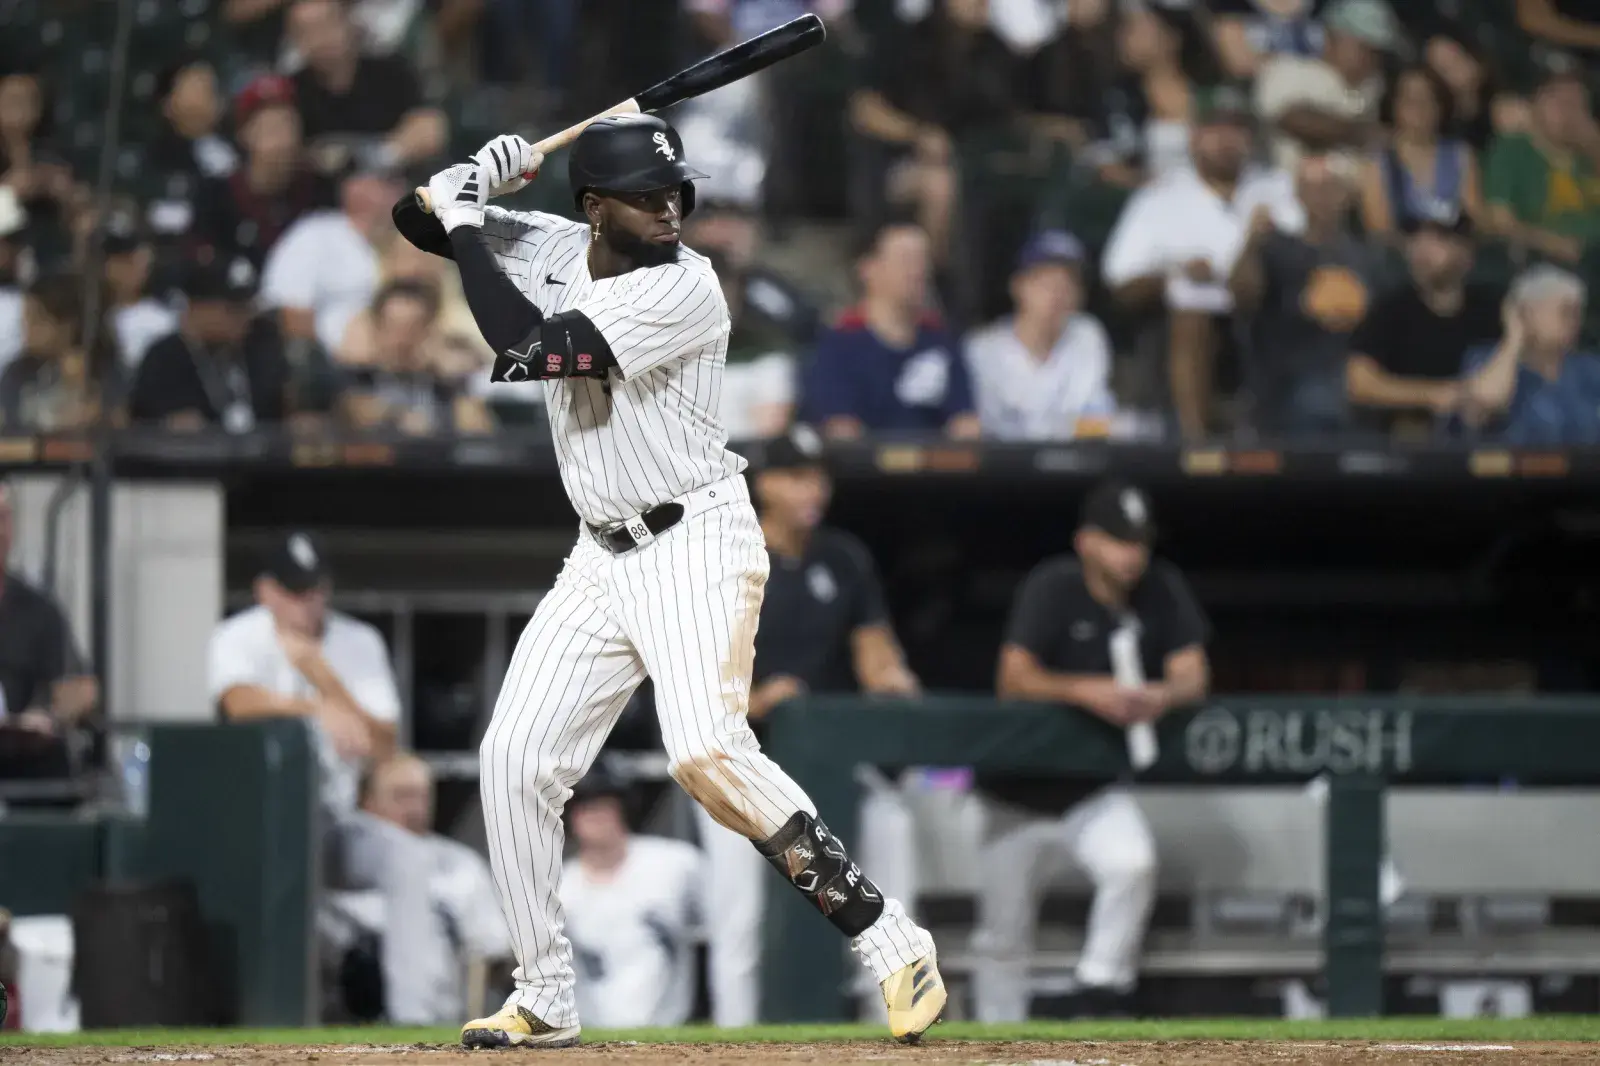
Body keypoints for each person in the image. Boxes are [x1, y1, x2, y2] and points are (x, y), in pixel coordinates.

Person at [390, 117, 947, 1045]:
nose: (668, 210)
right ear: (594, 207)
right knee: (513, 760)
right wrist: (468, 183)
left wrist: (463, 219)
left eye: (675, 194)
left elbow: (531, 348)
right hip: (599, 555)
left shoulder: (685, 286)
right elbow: (421, 224)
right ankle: (545, 994)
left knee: (704, 751)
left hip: (695, 540)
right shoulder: (561, 244)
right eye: (648, 198)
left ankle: (891, 938)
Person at [697, 424, 921, 1027]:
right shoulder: (725, 551)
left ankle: (892, 1019)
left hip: (829, 762)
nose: (812, 490)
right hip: (739, 764)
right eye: (797, 477)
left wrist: (893, 676)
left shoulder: (842, 558)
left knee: (889, 838)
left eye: (818, 477)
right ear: (764, 483)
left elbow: (875, 652)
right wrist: (758, 697)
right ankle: (731, 1038)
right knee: (741, 916)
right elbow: (691, 663)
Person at [976, 479, 1208, 1021]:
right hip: (1014, 794)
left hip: (1090, 788)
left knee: (1131, 864)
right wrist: (1087, 691)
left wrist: (1162, 695)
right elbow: (1014, 678)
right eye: (1119, 540)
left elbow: (1194, 673)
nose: (1133, 554)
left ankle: (1098, 992)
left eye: (1140, 541)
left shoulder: (1160, 589)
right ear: (1087, 541)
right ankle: (991, 1042)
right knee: (1004, 935)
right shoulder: (1053, 586)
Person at [207, 533, 457, 1024]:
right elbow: (236, 704)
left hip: (332, 818)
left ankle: (417, 1020)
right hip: (257, 828)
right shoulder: (240, 635)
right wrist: (314, 708)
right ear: (266, 591)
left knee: (408, 857)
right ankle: (266, 1018)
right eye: (294, 590)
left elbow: (386, 744)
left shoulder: (356, 641)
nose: (308, 602)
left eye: (315, 589)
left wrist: (325, 678)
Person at [1101, 86, 1304, 439]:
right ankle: (1194, 441)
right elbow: (1120, 280)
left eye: (1237, 129)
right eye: (1215, 128)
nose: (1227, 139)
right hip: (1182, 330)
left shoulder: (1276, 188)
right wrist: (1175, 273)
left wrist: (1257, 242)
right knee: (1191, 313)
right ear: (1194, 136)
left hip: (1265, 320)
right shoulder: (1160, 197)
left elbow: (1303, 255)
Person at [347, 753, 512, 1022]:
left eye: (421, 796)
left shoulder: (460, 864)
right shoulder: (345, 865)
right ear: (368, 802)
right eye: (401, 795)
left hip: (443, 1011)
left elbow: (490, 949)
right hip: (350, 1011)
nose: (414, 807)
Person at [848, 0, 1018, 260]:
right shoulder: (907, 42)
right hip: (899, 163)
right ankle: (929, 280)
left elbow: (1010, 115)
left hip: (974, 162)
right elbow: (865, 110)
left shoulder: (996, 50)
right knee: (940, 185)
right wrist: (917, 134)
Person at [1232, 154, 1380, 436]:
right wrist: (1251, 242)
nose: (1321, 197)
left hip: (1356, 381)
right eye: (1311, 189)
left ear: (1347, 196)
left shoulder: (1370, 257)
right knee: (1316, 401)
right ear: (1298, 196)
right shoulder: (1277, 250)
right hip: (1291, 381)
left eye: (1330, 188)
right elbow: (1242, 296)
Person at [800, 220, 981, 440]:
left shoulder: (941, 340)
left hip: (938, 471)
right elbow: (842, 431)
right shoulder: (839, 343)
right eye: (906, 260)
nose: (918, 271)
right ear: (868, 269)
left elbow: (966, 425)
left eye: (923, 259)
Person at [559, 766, 703, 1029]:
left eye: (604, 805)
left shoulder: (677, 864)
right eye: (585, 808)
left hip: (670, 1031)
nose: (596, 816)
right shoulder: (557, 888)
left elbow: (720, 933)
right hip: (588, 1034)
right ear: (570, 818)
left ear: (622, 809)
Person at [1345, 201, 1503, 437]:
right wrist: (1432, 395)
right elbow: (1359, 383)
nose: (1421, 250)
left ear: (1467, 253)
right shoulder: (1391, 309)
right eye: (1415, 238)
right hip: (1412, 437)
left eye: (1438, 239)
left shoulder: (1490, 309)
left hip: (1485, 431)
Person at [963, 230, 1115, 441]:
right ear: (1018, 286)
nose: (1058, 295)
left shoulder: (1087, 336)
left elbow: (1095, 424)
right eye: (1046, 283)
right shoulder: (981, 350)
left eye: (1068, 285)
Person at [129, 256, 293, 431]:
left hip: (262, 455)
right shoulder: (163, 359)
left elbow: (281, 407)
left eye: (248, 307)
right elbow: (140, 424)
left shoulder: (261, 346)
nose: (245, 317)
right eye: (234, 309)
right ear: (199, 309)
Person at [190, 74, 336, 271]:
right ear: (245, 135)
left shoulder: (321, 190)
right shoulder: (217, 196)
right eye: (270, 128)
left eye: (288, 126)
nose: (283, 141)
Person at [287, 0, 447, 175]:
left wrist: (379, 158)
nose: (319, 39)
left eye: (326, 25)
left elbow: (431, 130)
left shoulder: (391, 71)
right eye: (306, 32)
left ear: (348, 24)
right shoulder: (290, 91)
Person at [260, 169, 403, 355]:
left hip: (390, 365)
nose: (400, 191)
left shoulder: (403, 246)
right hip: (325, 365)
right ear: (354, 190)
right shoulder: (315, 235)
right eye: (386, 184)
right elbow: (288, 313)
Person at [0, 481, 97, 752]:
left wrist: (48, 716)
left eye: (4, 518)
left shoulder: (38, 609)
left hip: (20, 763)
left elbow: (82, 688)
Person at [1253, 0, 1403, 172]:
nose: (1372, 58)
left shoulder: (1374, 84)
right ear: (1333, 36)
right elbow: (1292, 119)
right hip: (1297, 190)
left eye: (1378, 52)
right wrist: (1359, 133)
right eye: (1365, 47)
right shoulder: (1287, 70)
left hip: (1360, 191)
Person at [1459, 264, 1600, 443]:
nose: (1575, 321)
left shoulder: (1589, 368)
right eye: (1566, 312)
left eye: (1578, 313)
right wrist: (1514, 337)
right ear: (1525, 313)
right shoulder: (1486, 359)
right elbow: (1485, 403)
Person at [339, 279, 494, 435]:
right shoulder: (360, 379)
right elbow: (358, 412)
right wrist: (398, 415)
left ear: (429, 331)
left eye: (412, 329)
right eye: (393, 327)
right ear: (377, 330)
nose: (401, 340)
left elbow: (479, 431)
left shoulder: (445, 384)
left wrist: (452, 378)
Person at [1482, 70, 1600, 266]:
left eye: (1577, 104)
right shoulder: (1512, 149)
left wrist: (1594, 145)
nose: (1569, 113)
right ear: (1535, 104)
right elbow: (1500, 221)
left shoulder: (1591, 151)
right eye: (1559, 102)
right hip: (1547, 261)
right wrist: (1548, 242)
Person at [1359, 65, 1482, 237]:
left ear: (1440, 107)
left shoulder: (1461, 155)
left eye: (1427, 100)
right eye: (1410, 101)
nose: (1418, 109)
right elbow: (1379, 228)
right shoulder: (1376, 162)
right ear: (1394, 106)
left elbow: (1474, 220)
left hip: (1454, 252)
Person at [0, 273, 114, 432]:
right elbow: (10, 423)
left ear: (67, 324)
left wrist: (75, 387)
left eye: (36, 320)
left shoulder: (102, 367)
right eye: (25, 318)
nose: (26, 327)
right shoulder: (18, 371)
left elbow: (114, 421)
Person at [143, 56, 238, 244]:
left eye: (210, 87)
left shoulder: (240, 149)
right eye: (195, 87)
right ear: (167, 104)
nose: (206, 94)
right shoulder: (157, 159)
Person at [98, 211, 178, 370]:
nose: (120, 269)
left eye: (129, 261)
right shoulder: (89, 313)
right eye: (115, 260)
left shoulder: (161, 321)